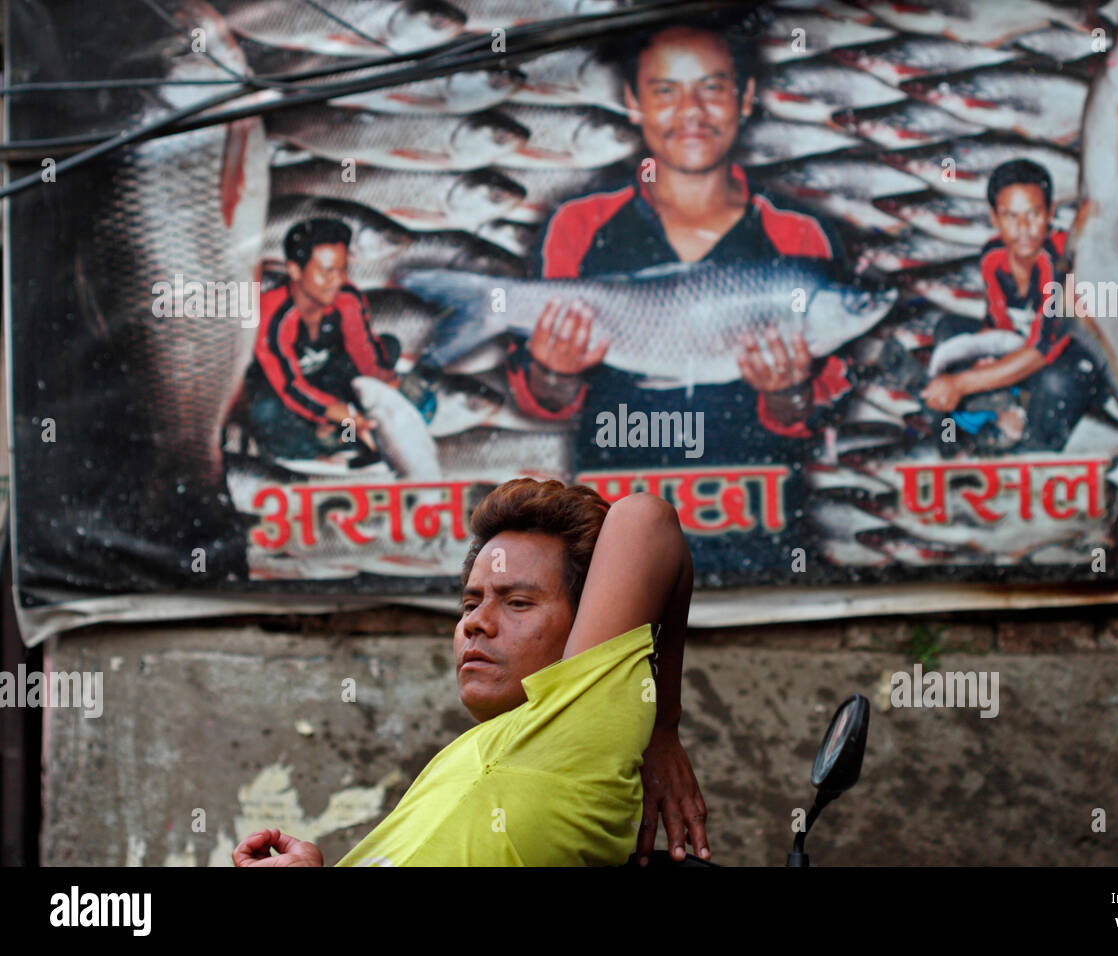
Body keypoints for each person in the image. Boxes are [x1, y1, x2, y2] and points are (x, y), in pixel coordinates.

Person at [501, 13, 854, 579]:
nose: (691, 112)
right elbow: (541, 397)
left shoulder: (798, 237)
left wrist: (791, 393)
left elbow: (822, 405)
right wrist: (555, 371)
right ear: (634, 102)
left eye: (712, 88)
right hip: (613, 532)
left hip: (757, 519)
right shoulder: (579, 224)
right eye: (665, 91)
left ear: (745, 97)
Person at [233, 479, 708, 867]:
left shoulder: (573, 730)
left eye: (518, 602)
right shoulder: (466, 754)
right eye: (469, 603)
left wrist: (660, 728)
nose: (475, 622)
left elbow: (646, 520)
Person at [919, 159, 1106, 454]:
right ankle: (962, 439)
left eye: (1034, 214)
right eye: (1010, 216)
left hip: (1073, 366)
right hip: (1026, 353)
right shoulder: (992, 257)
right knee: (949, 331)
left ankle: (1033, 452)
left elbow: (1041, 352)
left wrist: (963, 383)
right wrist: (986, 364)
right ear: (994, 219)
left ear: (1051, 214)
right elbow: (998, 326)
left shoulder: (1061, 261)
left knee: (1057, 382)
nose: (1023, 229)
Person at [243, 217, 402, 461]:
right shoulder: (271, 315)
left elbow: (365, 352)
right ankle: (323, 441)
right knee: (266, 413)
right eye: (327, 271)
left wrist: (386, 383)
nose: (337, 280)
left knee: (389, 346)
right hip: (283, 389)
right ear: (295, 270)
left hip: (323, 376)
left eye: (342, 269)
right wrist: (345, 415)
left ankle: (338, 435)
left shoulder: (346, 296)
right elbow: (291, 387)